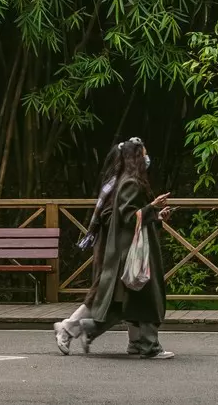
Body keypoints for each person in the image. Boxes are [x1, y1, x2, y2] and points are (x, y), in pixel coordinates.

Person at [52, 137, 172, 358]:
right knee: (111, 295)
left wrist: (155, 214)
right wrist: (152, 209)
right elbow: (126, 216)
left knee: (123, 298)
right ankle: (70, 328)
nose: (147, 157)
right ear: (136, 157)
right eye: (144, 153)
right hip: (121, 251)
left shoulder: (121, 182)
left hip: (122, 249)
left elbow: (132, 213)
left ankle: (134, 342)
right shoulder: (128, 183)